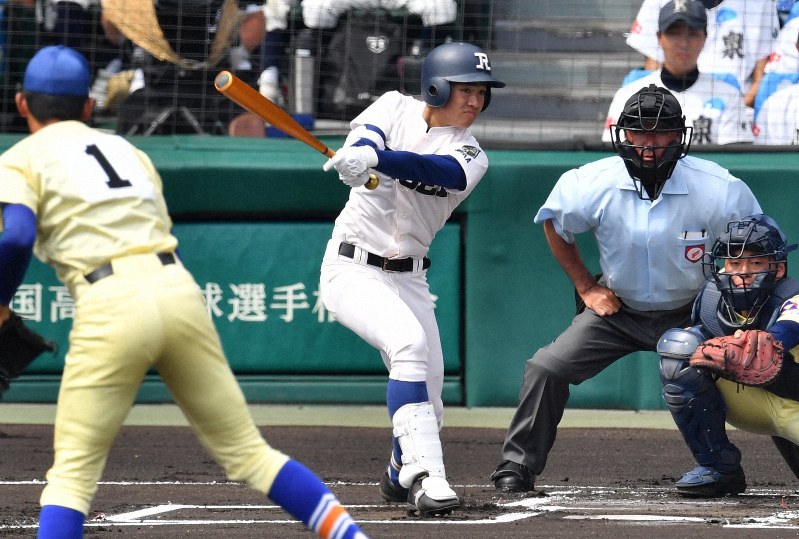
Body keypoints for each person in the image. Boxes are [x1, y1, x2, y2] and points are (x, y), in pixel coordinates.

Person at [0, 45, 368, 539]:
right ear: (88, 107)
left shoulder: (18, 158)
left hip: (109, 303)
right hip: (177, 288)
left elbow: (17, 235)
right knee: (250, 455)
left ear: (22, 103)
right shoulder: (126, 150)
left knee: (70, 479)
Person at [490, 83, 761, 493]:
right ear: (623, 134)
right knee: (546, 368)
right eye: (639, 132)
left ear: (680, 135)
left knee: (760, 367)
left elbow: (754, 243)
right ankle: (516, 465)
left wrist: (738, 311)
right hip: (618, 309)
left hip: (693, 312)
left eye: (660, 132)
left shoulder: (718, 187)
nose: (649, 144)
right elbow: (555, 223)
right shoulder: (592, 181)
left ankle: (721, 467)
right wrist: (586, 286)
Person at [318, 41, 504, 515]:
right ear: (436, 87)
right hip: (351, 266)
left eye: (482, 93)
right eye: (466, 90)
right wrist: (359, 155)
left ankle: (398, 472)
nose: (475, 102)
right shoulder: (394, 105)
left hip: (410, 277)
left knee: (432, 405)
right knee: (408, 345)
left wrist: (379, 162)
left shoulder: (471, 154)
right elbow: (369, 138)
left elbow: (436, 170)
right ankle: (428, 478)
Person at [658, 214, 799, 496]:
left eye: (755, 262)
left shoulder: (793, 295)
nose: (742, 271)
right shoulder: (711, 298)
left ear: (778, 269)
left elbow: (789, 327)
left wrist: (768, 343)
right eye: (734, 263)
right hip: (752, 402)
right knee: (679, 348)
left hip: (795, 400)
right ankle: (719, 468)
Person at [604, 0, 753, 145]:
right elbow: (612, 155)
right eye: (674, 33)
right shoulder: (629, 94)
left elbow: (736, 161)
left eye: (692, 34)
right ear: (659, 38)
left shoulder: (728, 95)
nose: (683, 43)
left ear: (705, 38)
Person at [626, 0, 778, 108]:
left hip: (737, 106)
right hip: (667, 107)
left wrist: (732, 107)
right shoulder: (658, 3)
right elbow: (653, 68)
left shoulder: (760, 3)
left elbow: (761, 78)